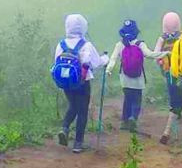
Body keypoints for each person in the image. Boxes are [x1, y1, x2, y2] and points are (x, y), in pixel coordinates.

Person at [53, 14, 108, 153]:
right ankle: (78, 143)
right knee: (82, 110)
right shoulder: (86, 45)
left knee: (73, 105)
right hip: (82, 82)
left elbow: (56, 62)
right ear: (83, 27)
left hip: (66, 82)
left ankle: (64, 128)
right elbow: (96, 63)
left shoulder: (61, 45)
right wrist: (105, 58)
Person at [107, 19, 166, 133]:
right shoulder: (140, 44)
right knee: (137, 99)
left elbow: (113, 59)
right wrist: (165, 53)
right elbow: (150, 54)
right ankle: (133, 117)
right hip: (138, 78)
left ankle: (124, 122)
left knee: (127, 98)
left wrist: (108, 70)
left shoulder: (120, 45)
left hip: (125, 78)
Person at [155, 12, 182, 113]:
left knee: (172, 87)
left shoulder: (162, 39)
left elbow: (156, 52)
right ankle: (178, 106)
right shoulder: (181, 38)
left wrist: (159, 61)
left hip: (168, 68)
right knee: (179, 86)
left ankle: (174, 106)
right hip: (180, 67)